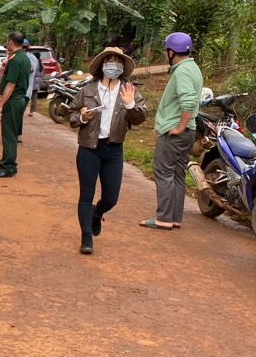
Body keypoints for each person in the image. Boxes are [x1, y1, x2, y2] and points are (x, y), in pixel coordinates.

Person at [71, 47, 147, 254]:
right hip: (89, 148)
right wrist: (81, 118)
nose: (114, 65)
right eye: (110, 61)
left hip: (114, 149)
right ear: (102, 65)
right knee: (86, 194)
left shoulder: (129, 91)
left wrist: (131, 105)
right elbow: (71, 115)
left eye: (118, 62)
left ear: (123, 67)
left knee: (111, 197)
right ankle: (86, 237)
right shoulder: (87, 90)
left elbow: (140, 119)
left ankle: (97, 214)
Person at [143, 31, 204, 230]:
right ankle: (174, 218)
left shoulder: (182, 71)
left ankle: (163, 218)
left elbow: (188, 100)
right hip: (189, 132)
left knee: (163, 173)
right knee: (177, 174)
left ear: (171, 52)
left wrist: (179, 127)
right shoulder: (192, 67)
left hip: (175, 133)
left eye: (165, 51)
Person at [0, 32, 31, 178]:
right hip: (20, 99)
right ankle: (11, 166)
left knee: (8, 135)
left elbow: (11, 84)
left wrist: (0, 105)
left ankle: (6, 166)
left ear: (11, 42)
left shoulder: (15, 60)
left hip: (13, 100)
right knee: (12, 133)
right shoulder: (24, 58)